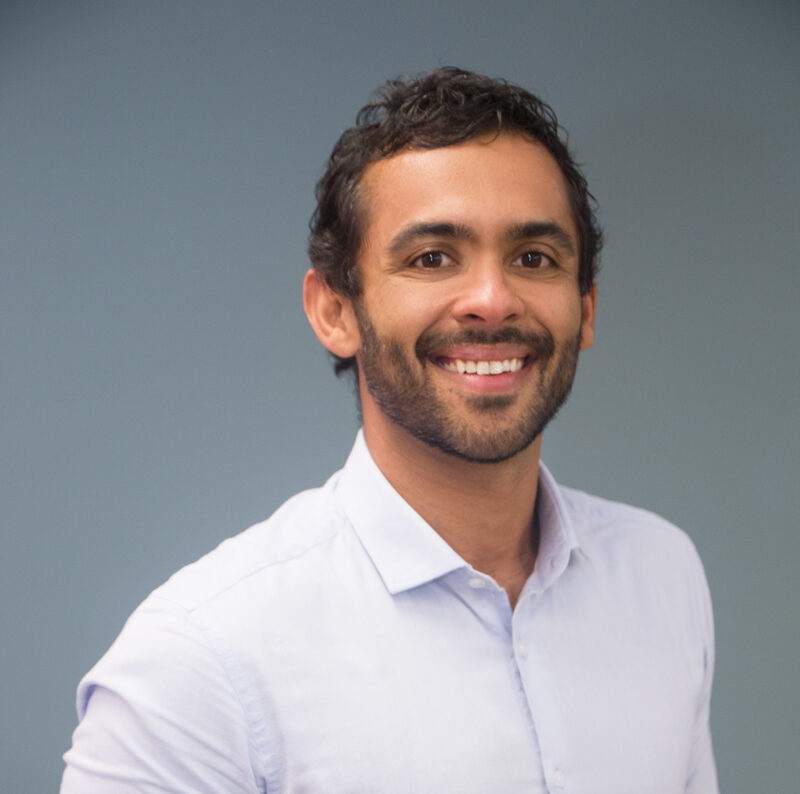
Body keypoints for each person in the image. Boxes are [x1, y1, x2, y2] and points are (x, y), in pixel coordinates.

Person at [61, 68, 718, 793]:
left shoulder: (662, 576)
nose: (492, 299)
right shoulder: (197, 664)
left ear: (586, 308)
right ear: (335, 312)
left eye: (534, 258)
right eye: (431, 258)